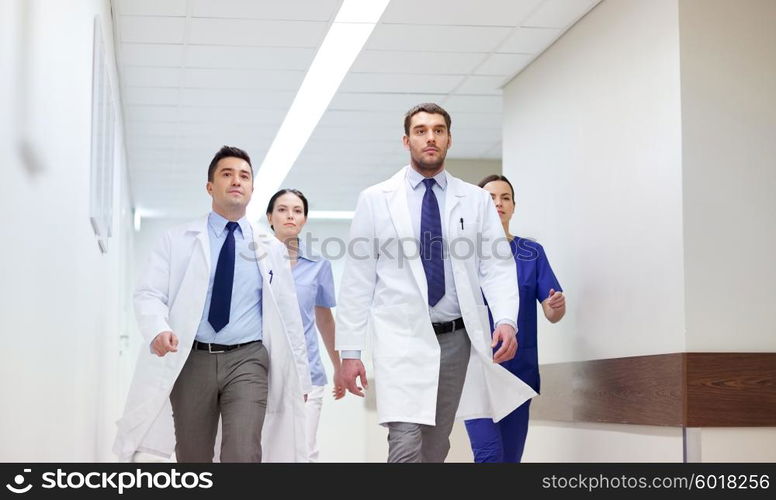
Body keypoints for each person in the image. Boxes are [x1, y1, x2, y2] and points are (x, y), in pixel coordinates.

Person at [336, 103, 536, 463]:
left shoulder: (475, 201)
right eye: (421, 130)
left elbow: (496, 265)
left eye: (438, 130)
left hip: (457, 339)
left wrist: (506, 319)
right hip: (401, 336)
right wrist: (349, 353)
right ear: (406, 140)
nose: (430, 137)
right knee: (405, 439)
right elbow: (357, 281)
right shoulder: (376, 200)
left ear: (449, 139)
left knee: (434, 444)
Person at [113, 146, 311, 463]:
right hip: (192, 358)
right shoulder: (176, 239)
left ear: (252, 189)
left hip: (248, 359)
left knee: (243, 451)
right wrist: (158, 329)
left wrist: (300, 377)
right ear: (210, 187)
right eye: (227, 174)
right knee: (193, 455)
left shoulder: (270, 248)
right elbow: (149, 293)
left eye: (244, 176)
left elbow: (289, 318)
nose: (236, 181)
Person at [464, 174, 566, 463]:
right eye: (490, 198)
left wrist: (556, 305)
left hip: (518, 372)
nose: (498, 203)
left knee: (510, 458)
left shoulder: (531, 252)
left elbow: (552, 311)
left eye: (505, 197)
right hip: (477, 369)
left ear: (514, 206)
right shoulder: (464, 254)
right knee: (489, 455)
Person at [266, 188, 345, 462]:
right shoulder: (256, 262)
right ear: (270, 217)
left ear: (304, 219)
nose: (290, 215)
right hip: (262, 371)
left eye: (297, 211)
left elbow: (324, 319)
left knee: (304, 451)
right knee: (264, 451)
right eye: (282, 209)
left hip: (308, 373)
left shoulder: (318, 265)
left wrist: (338, 366)